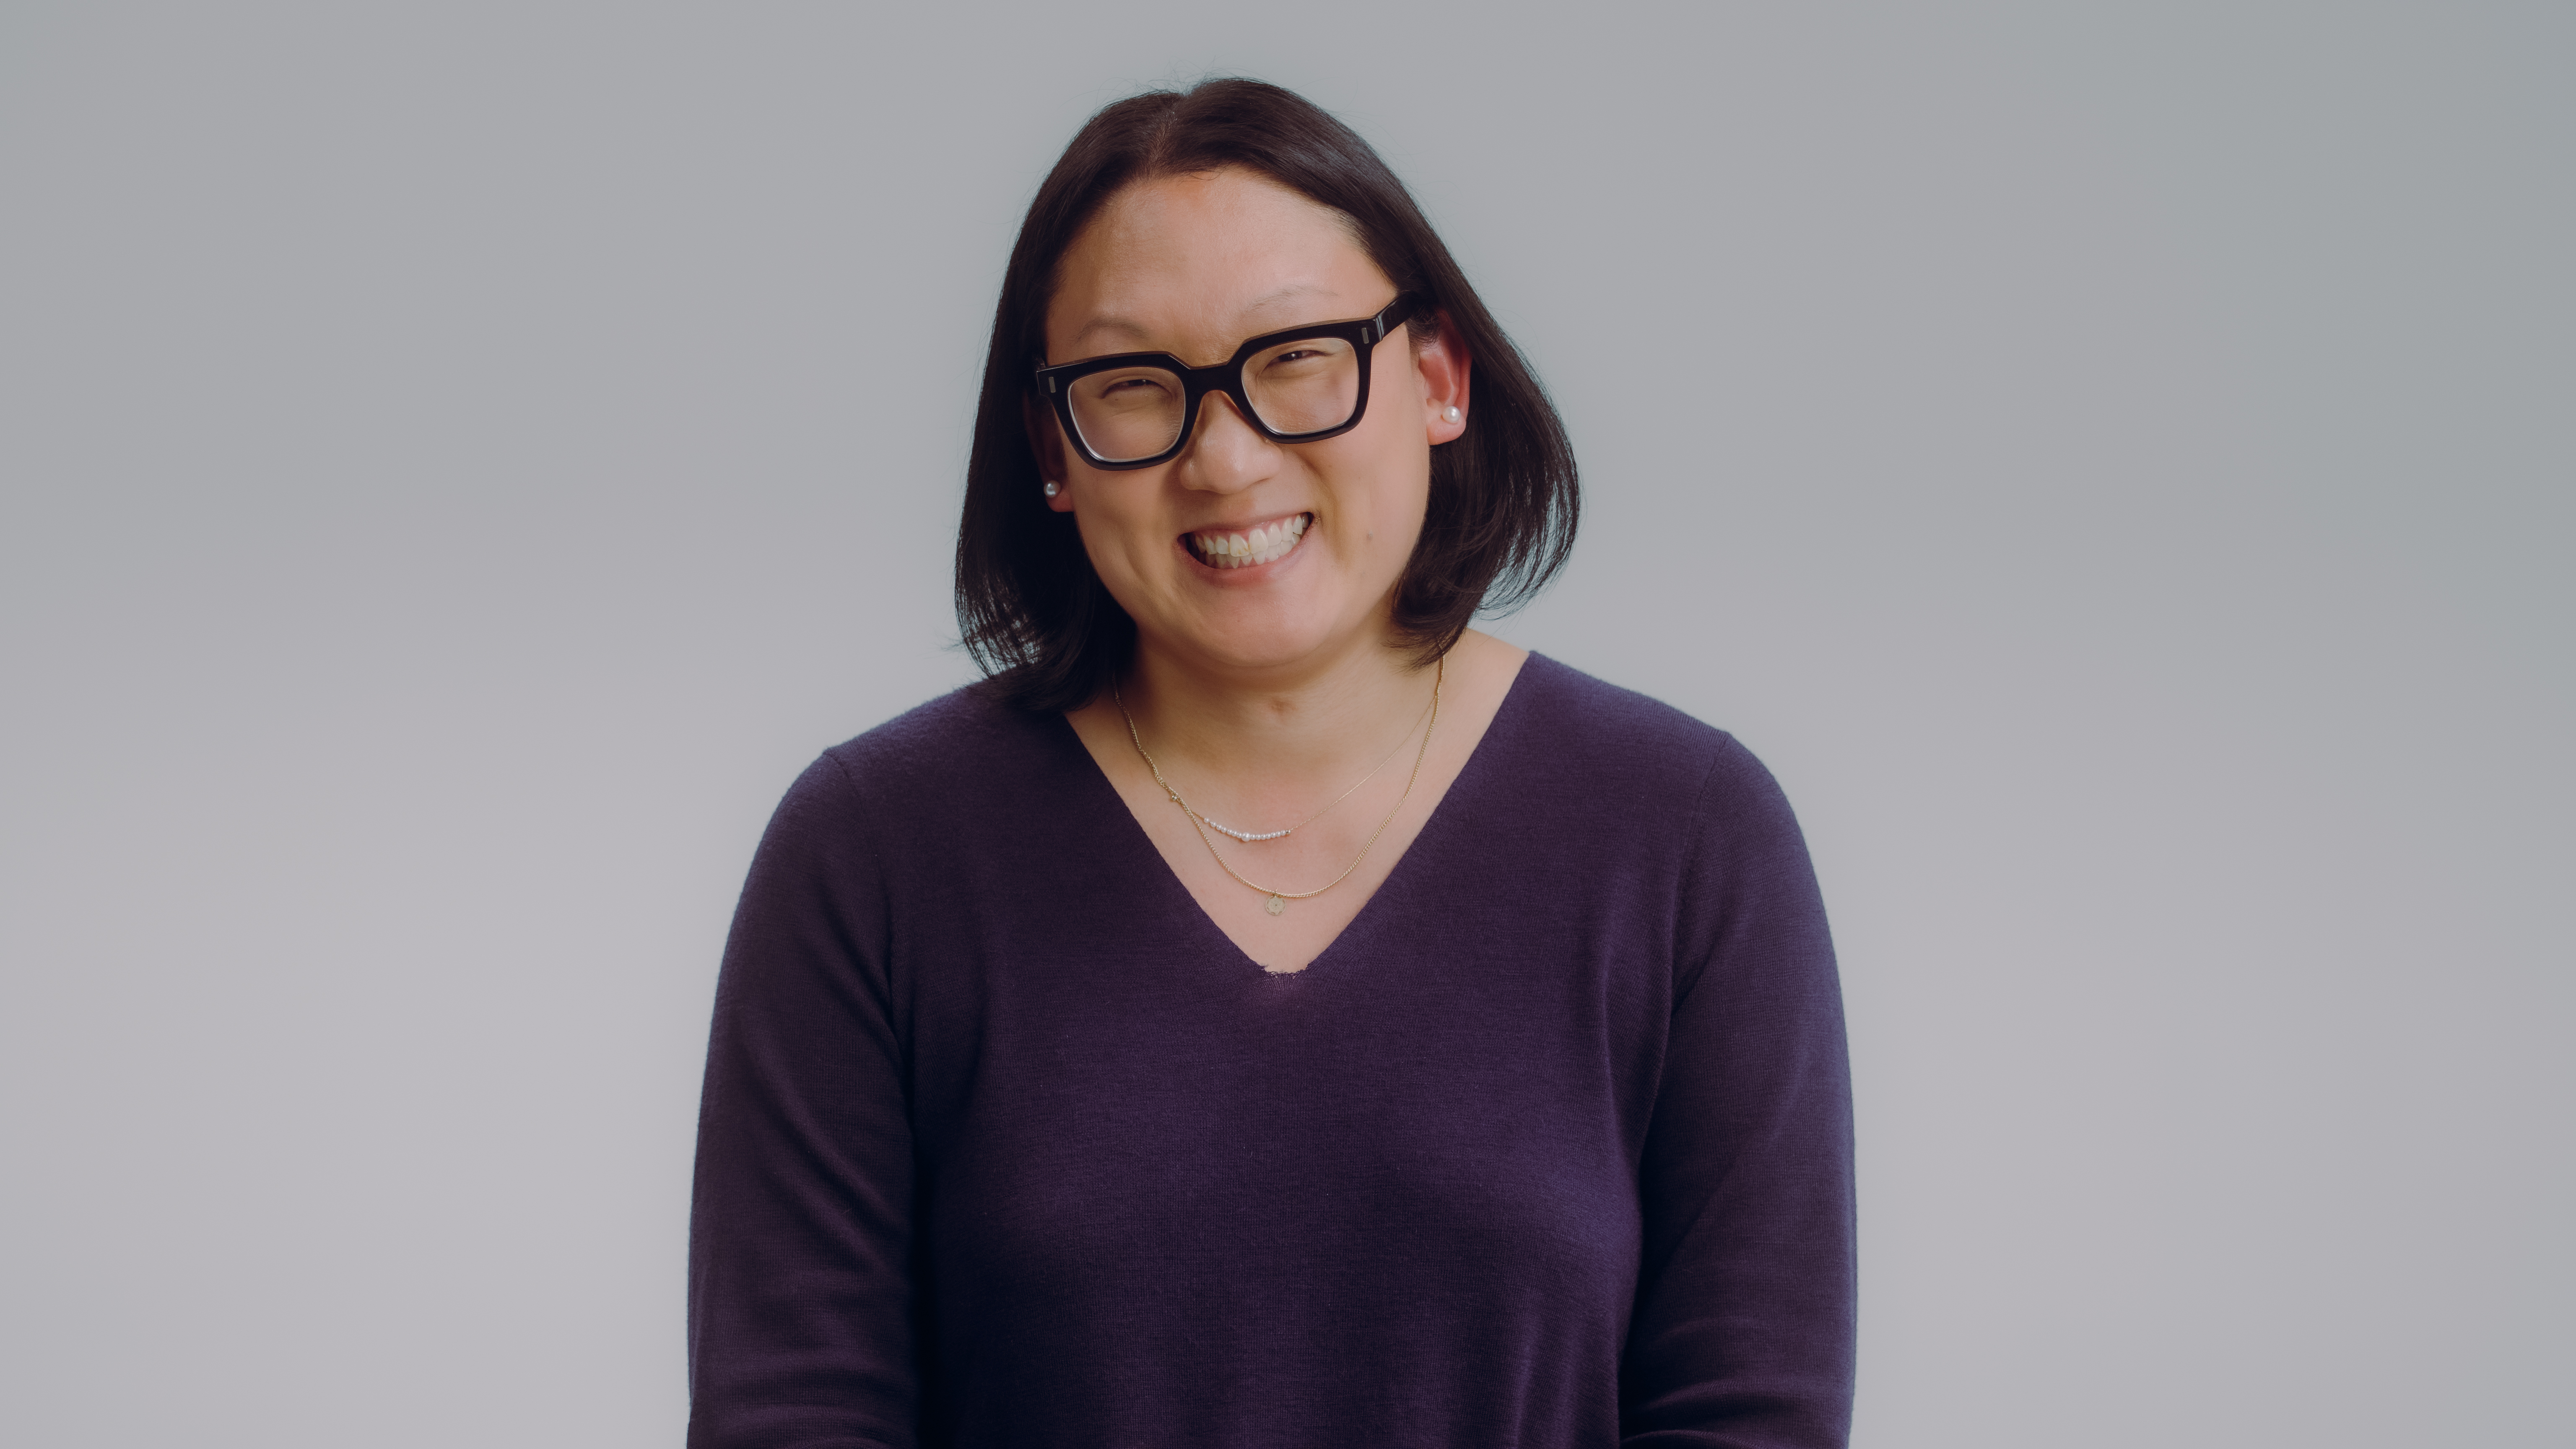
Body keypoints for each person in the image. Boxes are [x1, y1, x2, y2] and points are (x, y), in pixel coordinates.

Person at [686, 78, 1855, 1449]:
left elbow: (1749, 1418)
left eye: (1298, 356)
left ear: (1437, 378)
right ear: (1053, 449)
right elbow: (795, 1418)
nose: (1227, 457)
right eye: (1133, 386)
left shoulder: (1689, 840)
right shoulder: (875, 856)